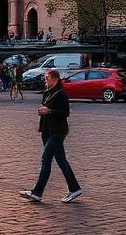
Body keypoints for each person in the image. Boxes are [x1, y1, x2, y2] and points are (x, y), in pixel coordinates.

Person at [20, 69, 82, 204]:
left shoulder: (61, 93)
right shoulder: (47, 93)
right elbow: (45, 110)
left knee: (46, 159)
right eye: (45, 78)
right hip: (47, 131)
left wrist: (49, 111)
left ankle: (37, 192)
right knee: (61, 160)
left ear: (55, 79)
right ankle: (74, 188)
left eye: (47, 78)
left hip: (58, 132)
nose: (45, 80)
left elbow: (65, 112)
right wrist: (42, 112)